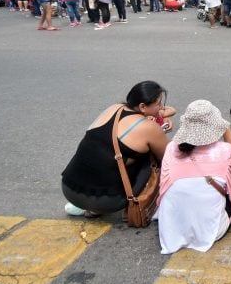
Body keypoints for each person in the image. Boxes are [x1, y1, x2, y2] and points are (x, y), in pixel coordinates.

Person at [61, 81, 171, 218]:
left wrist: (161, 116)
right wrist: (160, 131)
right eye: (159, 104)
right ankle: (134, 206)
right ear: (143, 106)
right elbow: (168, 158)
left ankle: (83, 205)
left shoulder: (115, 108)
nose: (161, 108)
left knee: (110, 153)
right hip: (106, 201)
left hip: (69, 188)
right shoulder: (149, 128)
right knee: (152, 157)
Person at [156, 100, 231, 254]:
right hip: (211, 232)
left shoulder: (171, 148)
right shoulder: (226, 150)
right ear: (215, 125)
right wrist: (225, 127)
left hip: (170, 231)